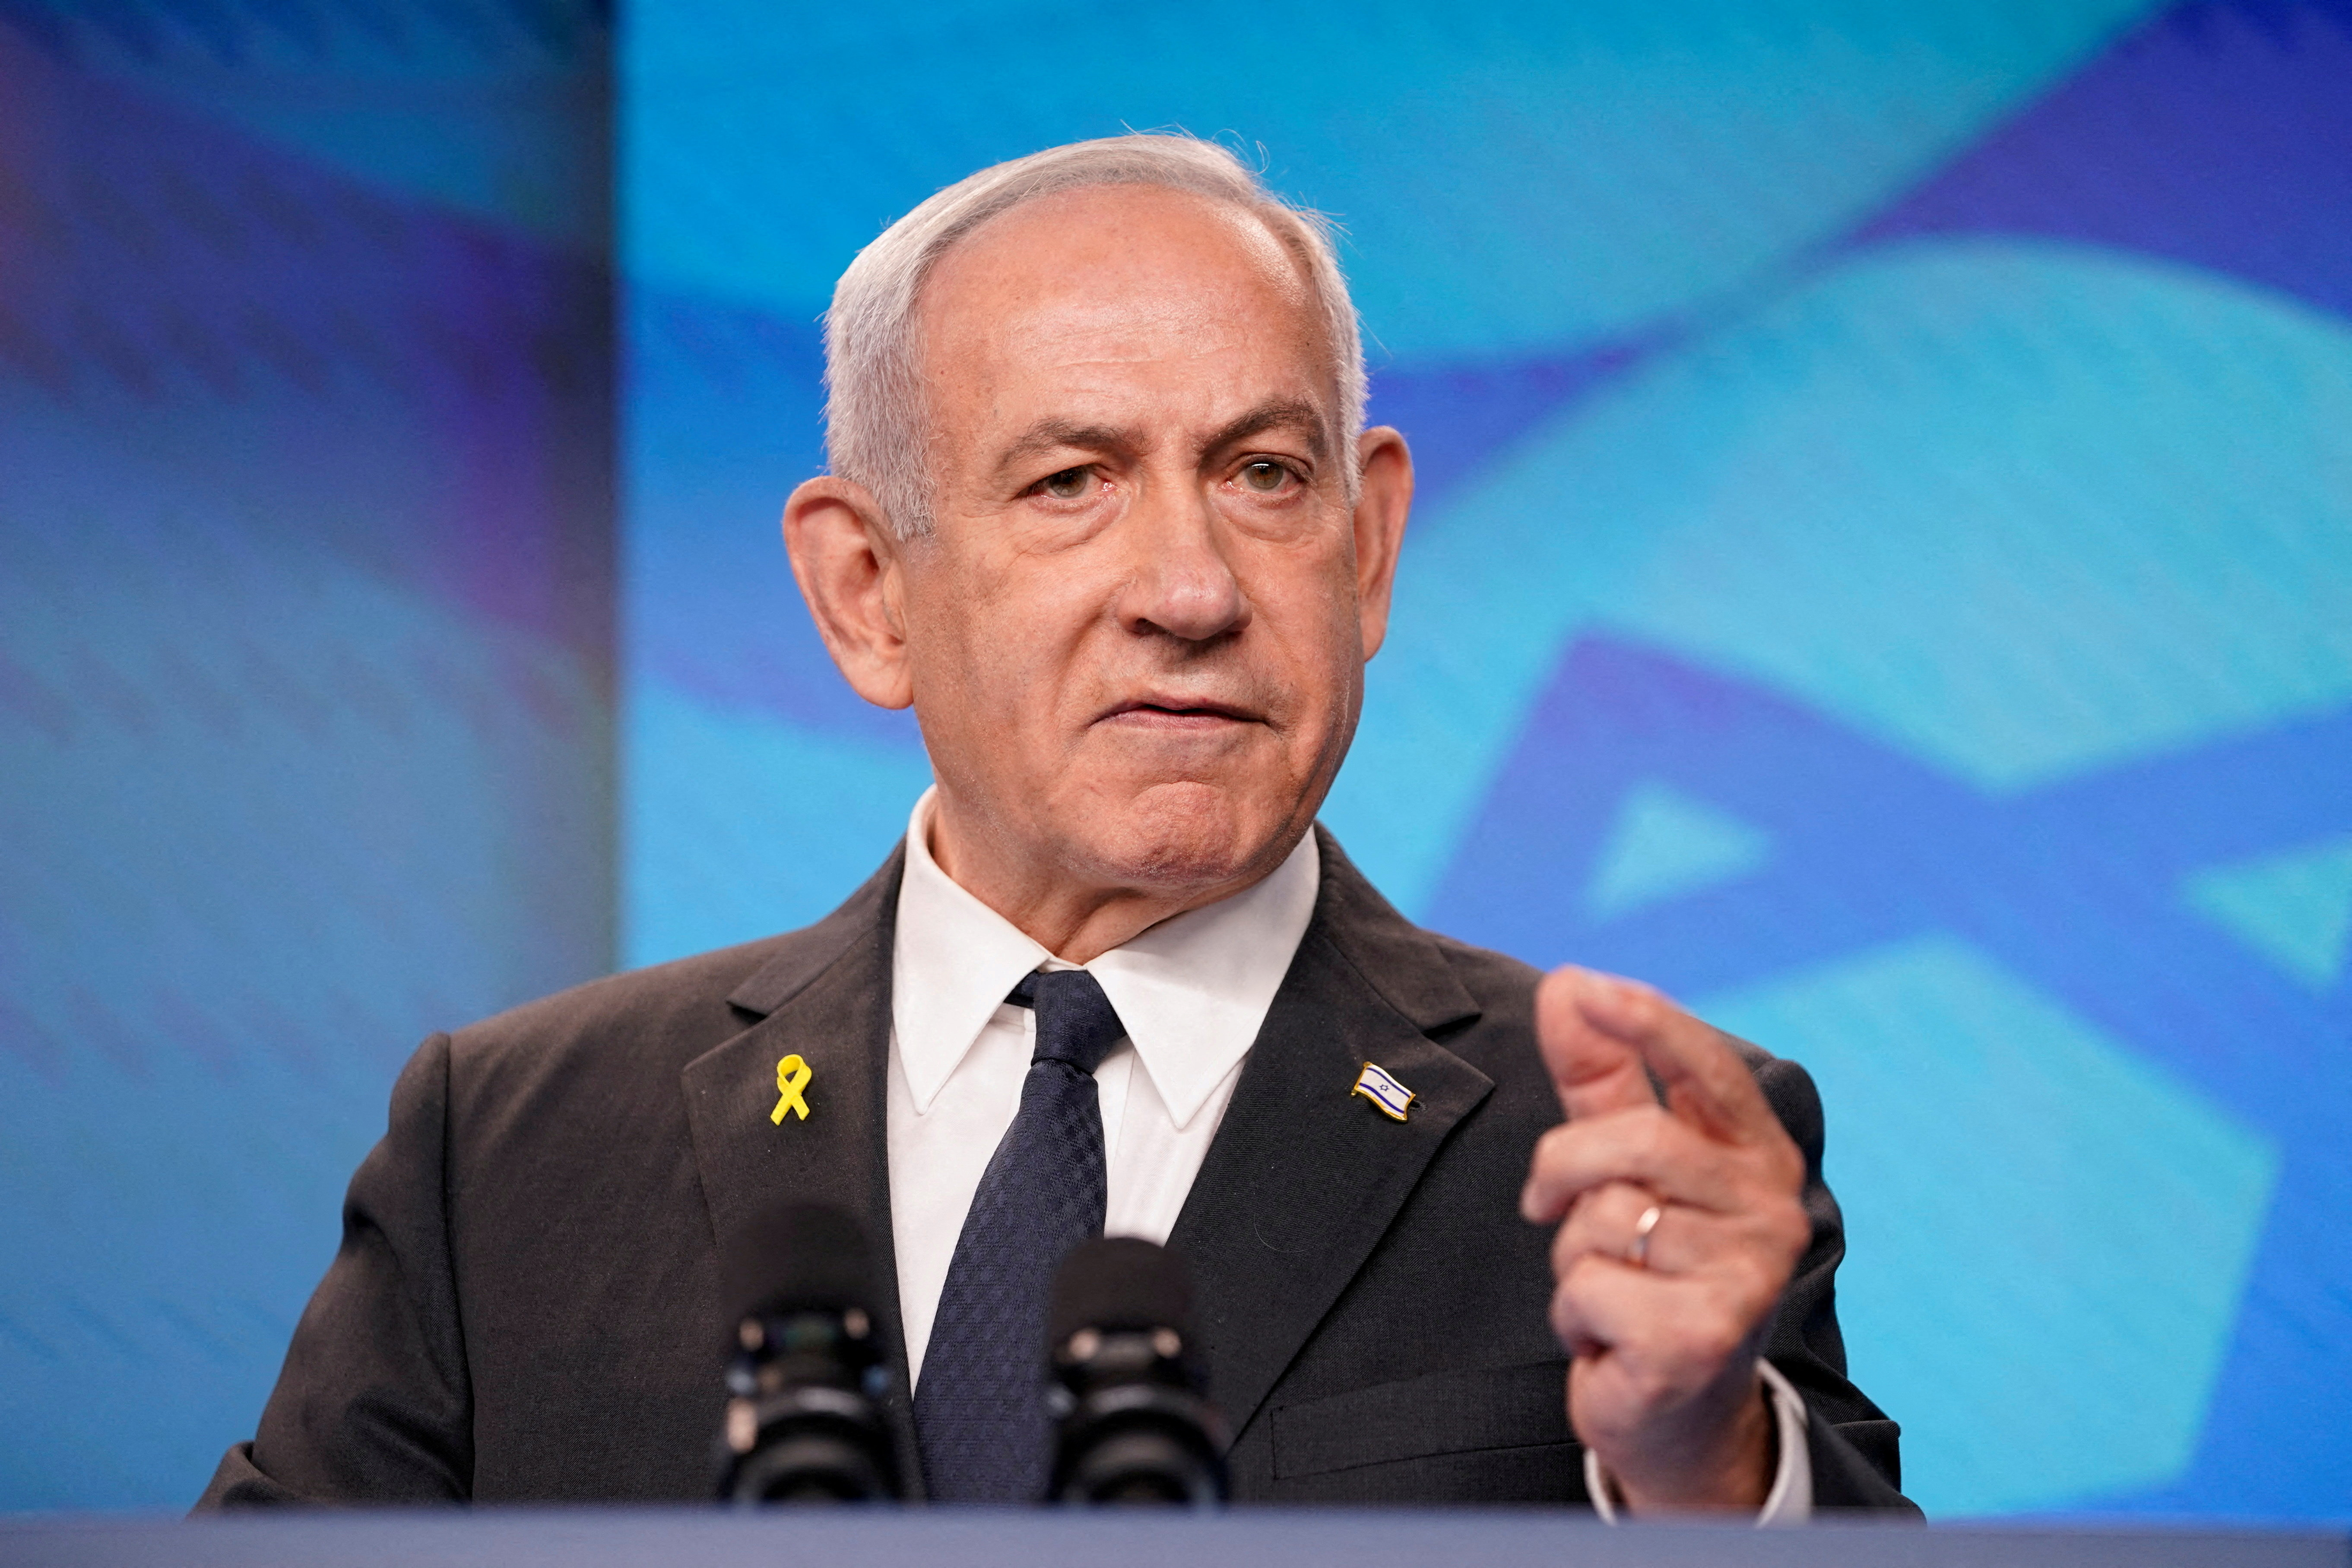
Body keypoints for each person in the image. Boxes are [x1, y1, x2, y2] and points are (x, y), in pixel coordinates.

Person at [201, 134, 1915, 1517]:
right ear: (865, 590)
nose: (1189, 589)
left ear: (1370, 544)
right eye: (1069, 481)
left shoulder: (1625, 1160)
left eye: (1262, 473)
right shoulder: (509, 1150)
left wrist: (1707, 1474)